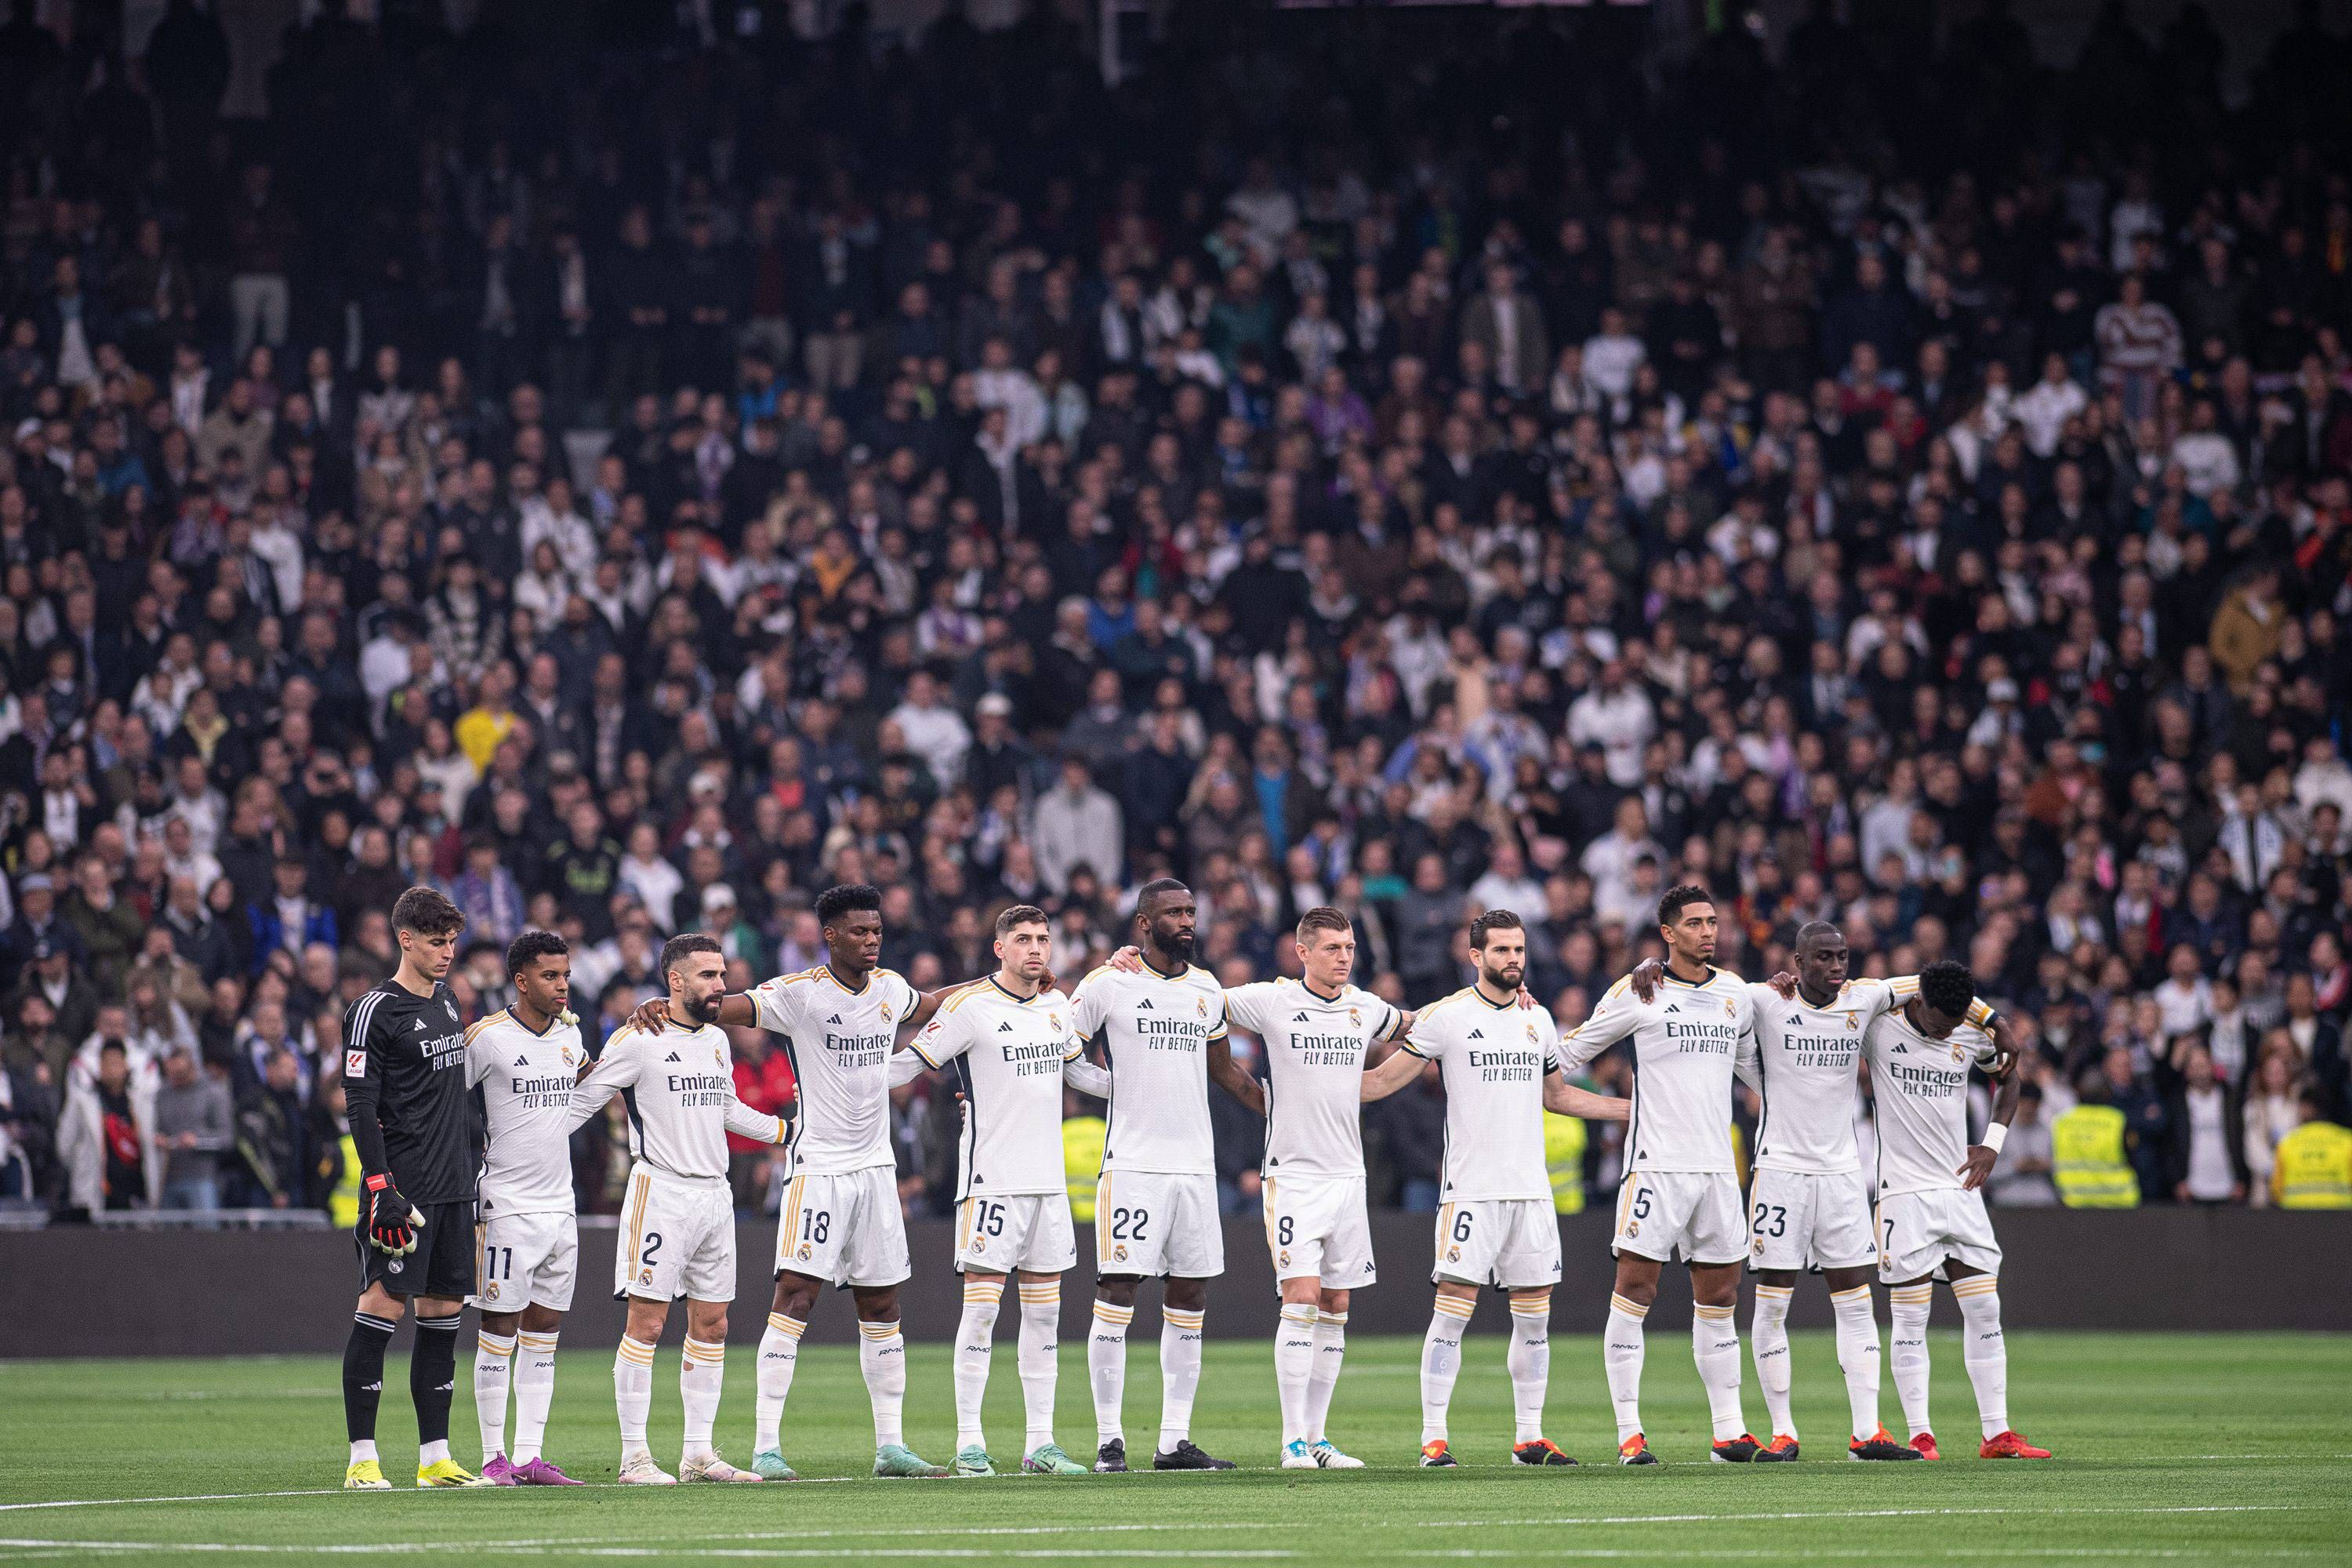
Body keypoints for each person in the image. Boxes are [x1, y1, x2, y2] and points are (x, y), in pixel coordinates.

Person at [630, 884, 947, 1480]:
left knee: (882, 1303)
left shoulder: (890, 990)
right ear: (831, 937)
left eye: (877, 930)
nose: (872, 940)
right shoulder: (799, 995)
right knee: (796, 1296)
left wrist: (1001, 986)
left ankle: (891, 1447)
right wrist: (660, 1006)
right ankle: (767, 1447)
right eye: (859, 931)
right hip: (818, 1168)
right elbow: (726, 1005)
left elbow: (936, 1005)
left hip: (877, 1169)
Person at [1628, 921, 1923, 1460]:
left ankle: (1867, 1432)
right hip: (1780, 1171)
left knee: (1857, 1301)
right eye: (1825, 958)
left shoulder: (1864, 997)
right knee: (1772, 1304)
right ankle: (1784, 1430)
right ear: (1798, 960)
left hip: (1842, 1175)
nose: (1837, 967)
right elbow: (1698, 985)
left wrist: (1991, 1022)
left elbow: (1932, 984)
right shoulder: (1763, 999)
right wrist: (1649, 969)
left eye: (1843, 957)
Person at [1359, 909, 1629, 1468]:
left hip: (1530, 1193)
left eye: (1520, 950)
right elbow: (1384, 1081)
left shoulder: (1539, 1019)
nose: (1513, 959)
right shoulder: (1447, 1017)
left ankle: (1529, 1436)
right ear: (1475, 955)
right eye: (1502, 950)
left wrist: (1635, 1110)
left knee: (1535, 1316)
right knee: (1453, 1311)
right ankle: (1434, 1437)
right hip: (1472, 1190)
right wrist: (1306, 1088)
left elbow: (1559, 1097)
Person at [886, 904, 1109, 1476]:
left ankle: (1041, 1444)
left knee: (1044, 1319)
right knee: (982, 1315)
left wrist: (1145, 1086)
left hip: (1048, 1188)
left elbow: (1080, 1074)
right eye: (1024, 940)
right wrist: (837, 1081)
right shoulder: (970, 1007)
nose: (1036, 949)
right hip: (992, 1184)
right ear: (999, 949)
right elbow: (910, 1065)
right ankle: (969, 1441)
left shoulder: (1059, 1006)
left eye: (1043, 939)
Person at [566, 933, 787, 1484]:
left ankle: (697, 1454)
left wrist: (790, 1130)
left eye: (722, 974)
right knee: (647, 1322)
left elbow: (727, 1108)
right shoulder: (637, 1038)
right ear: (676, 980)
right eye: (708, 975)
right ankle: (635, 1457)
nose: (720, 984)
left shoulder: (716, 1040)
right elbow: (581, 1103)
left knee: (712, 1324)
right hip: (659, 1191)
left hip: (715, 1195)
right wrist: (521, 1136)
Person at [1555, 885, 1762, 1465]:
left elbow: (1754, 1069)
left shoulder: (1735, 995)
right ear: (1668, 934)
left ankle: (1729, 1433)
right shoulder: (1637, 991)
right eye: (1694, 923)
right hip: (1655, 1166)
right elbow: (1568, 1055)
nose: (1708, 932)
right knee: (1636, 1290)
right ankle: (1629, 1434)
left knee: (1721, 1295)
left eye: (1713, 921)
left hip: (1719, 1168)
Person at [1069, 877, 1256, 1472]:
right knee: (1118, 1290)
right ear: (1144, 923)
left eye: (1192, 911)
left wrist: (1281, 1106)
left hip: (1194, 1168)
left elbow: (1224, 1070)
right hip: (1133, 1165)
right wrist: (1113, 1087)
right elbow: (1064, 1054)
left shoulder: (1206, 989)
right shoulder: (1108, 983)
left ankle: (1174, 1440)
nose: (1187, 921)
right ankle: (1108, 1440)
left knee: (1191, 1294)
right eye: (1174, 912)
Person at [1866, 960, 2051, 1460]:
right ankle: (1921, 1435)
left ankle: (1997, 1433)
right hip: (1902, 1193)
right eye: (1940, 1021)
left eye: (1956, 1022)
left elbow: (2009, 1080)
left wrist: (1992, 1143)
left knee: (1986, 1307)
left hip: (1959, 1189)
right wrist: (1995, 1016)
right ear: (1920, 999)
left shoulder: (1968, 1031)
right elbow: (1855, 991)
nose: (1947, 1030)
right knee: (1910, 1319)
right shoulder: (1878, 1024)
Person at [339, 887, 489, 1490]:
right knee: (381, 1306)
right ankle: (362, 1459)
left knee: (444, 1316)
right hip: (403, 1192)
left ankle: (434, 1458)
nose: (448, 952)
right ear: (405, 939)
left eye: (452, 940)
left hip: (454, 1189)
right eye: (436, 942)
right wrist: (381, 1188)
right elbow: (359, 1103)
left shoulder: (450, 1000)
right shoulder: (375, 1008)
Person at [463, 931, 590, 1486]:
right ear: (521, 980)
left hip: (561, 1207)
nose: (562, 985)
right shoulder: (486, 1038)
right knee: (500, 1328)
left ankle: (529, 1456)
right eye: (549, 976)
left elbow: (590, 1081)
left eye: (565, 974)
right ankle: (493, 1458)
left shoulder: (569, 1038)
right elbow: (442, 1105)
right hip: (506, 1206)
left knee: (545, 1330)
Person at [2269, 1087, 2352, 1208]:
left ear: (2305, 1109)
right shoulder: (2347, 1141)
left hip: (2296, 1221)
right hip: (2341, 1220)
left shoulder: (2287, 1143)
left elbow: (2276, 1191)